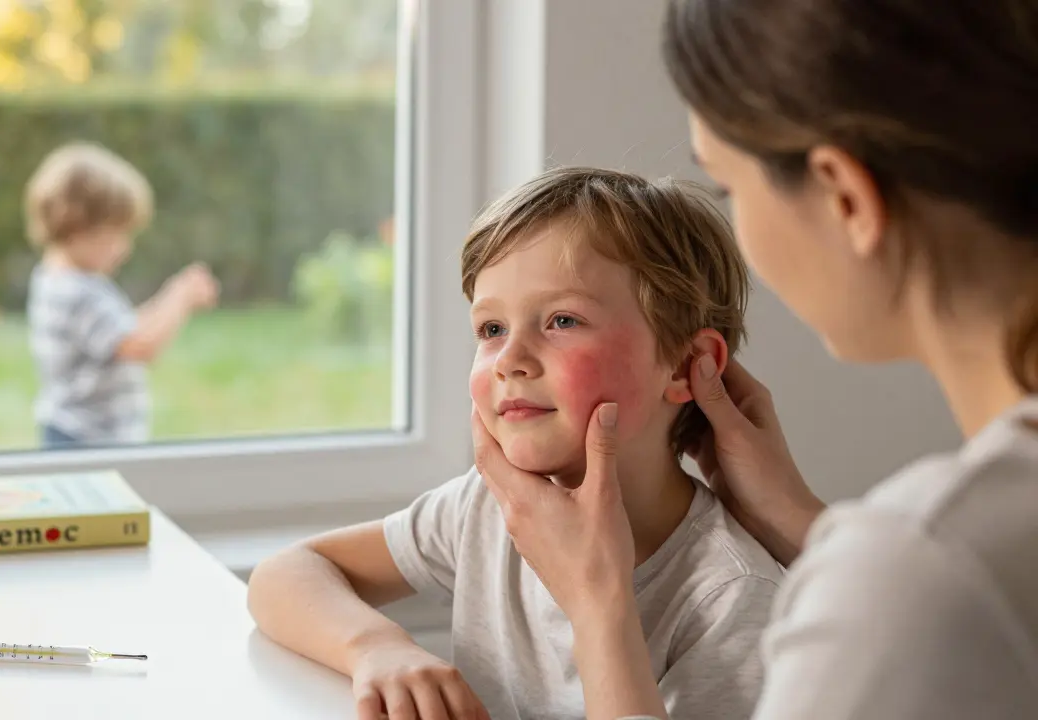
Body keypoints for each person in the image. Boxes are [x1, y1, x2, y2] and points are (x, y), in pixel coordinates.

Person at [471, 1, 1038, 718]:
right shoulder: (933, 561)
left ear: (844, 197)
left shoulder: (920, 578)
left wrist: (597, 602)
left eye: (728, 187)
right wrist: (799, 523)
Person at [248, 167, 784, 720]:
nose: (510, 361)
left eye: (562, 320)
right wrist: (376, 647)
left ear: (685, 366)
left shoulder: (732, 599)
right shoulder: (487, 508)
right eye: (492, 330)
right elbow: (286, 573)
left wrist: (599, 604)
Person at [24, 141, 218, 449]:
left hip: (77, 433)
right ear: (77, 226)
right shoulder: (76, 292)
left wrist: (165, 302)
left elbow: (123, 329)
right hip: (86, 440)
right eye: (116, 233)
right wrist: (179, 297)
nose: (125, 248)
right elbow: (140, 345)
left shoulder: (60, 280)